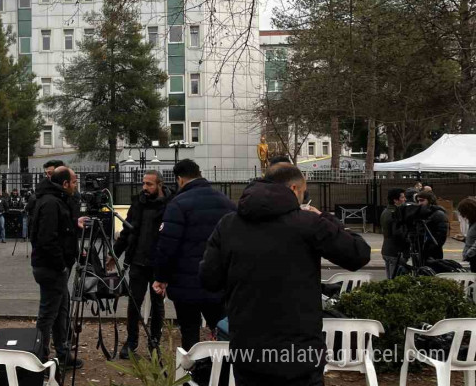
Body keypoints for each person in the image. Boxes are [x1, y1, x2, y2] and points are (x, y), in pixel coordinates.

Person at [200, 163, 371, 385]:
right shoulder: (309, 223)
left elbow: (208, 278)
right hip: (299, 349)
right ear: (293, 190)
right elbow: (358, 254)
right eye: (303, 193)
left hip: (248, 346)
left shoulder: (228, 224)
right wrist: (326, 218)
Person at [152, 160, 235, 352]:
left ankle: (193, 372)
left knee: (189, 330)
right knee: (221, 329)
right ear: (200, 173)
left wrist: (161, 277)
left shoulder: (178, 204)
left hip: (185, 283)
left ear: (180, 179)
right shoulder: (225, 201)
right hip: (217, 281)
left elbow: (167, 245)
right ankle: (222, 372)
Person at [110, 170, 171, 359]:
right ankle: (131, 343)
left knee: (157, 304)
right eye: (144, 183)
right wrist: (115, 254)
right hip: (137, 261)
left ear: (159, 184)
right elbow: (127, 229)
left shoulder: (170, 204)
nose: (145, 187)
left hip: (158, 264)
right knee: (134, 303)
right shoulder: (138, 202)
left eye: (149, 184)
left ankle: (154, 343)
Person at [30, 166, 83, 369]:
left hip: (56, 267)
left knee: (61, 311)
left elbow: (65, 233)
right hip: (51, 268)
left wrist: (74, 253)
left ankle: (63, 354)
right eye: (74, 182)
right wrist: (61, 264)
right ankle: (39, 359)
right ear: (65, 184)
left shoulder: (58, 200)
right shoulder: (51, 203)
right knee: (48, 314)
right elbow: (47, 239)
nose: (76, 186)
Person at [380, 188, 407, 279]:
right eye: (402, 197)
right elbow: (398, 233)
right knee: (395, 281)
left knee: (390, 279)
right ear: (395, 200)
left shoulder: (385, 211)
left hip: (386, 249)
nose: (405, 199)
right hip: (395, 251)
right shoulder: (395, 212)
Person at [416, 191, 448, 260]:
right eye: (418, 201)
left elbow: (442, 234)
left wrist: (433, 247)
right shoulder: (421, 213)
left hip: (433, 251)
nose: (419, 203)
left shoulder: (438, 214)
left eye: (422, 200)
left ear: (430, 201)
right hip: (421, 249)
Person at [457, 197, 476, 272]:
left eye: (464, 213)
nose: (463, 216)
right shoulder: (473, 222)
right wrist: (464, 239)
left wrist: (469, 254)